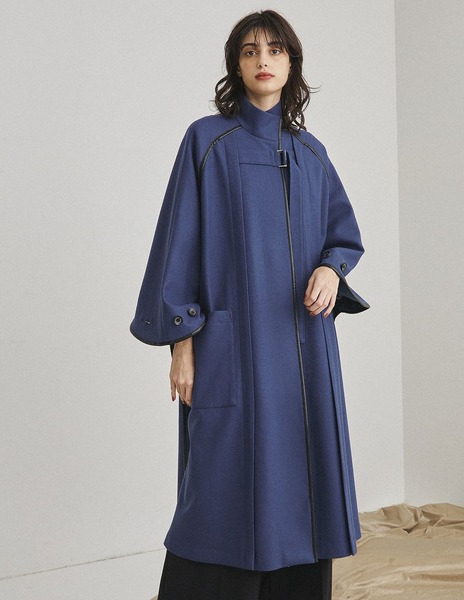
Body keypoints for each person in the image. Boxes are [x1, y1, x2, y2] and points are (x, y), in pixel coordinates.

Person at [130, 9, 369, 600]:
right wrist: (182, 344)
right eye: (249, 51)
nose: (263, 60)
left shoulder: (312, 153)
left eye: (275, 50)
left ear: (292, 64)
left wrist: (330, 269)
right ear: (236, 66)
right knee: (220, 490)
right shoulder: (207, 141)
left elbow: (343, 236)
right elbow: (178, 245)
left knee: (305, 486)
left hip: (306, 354)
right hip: (232, 349)